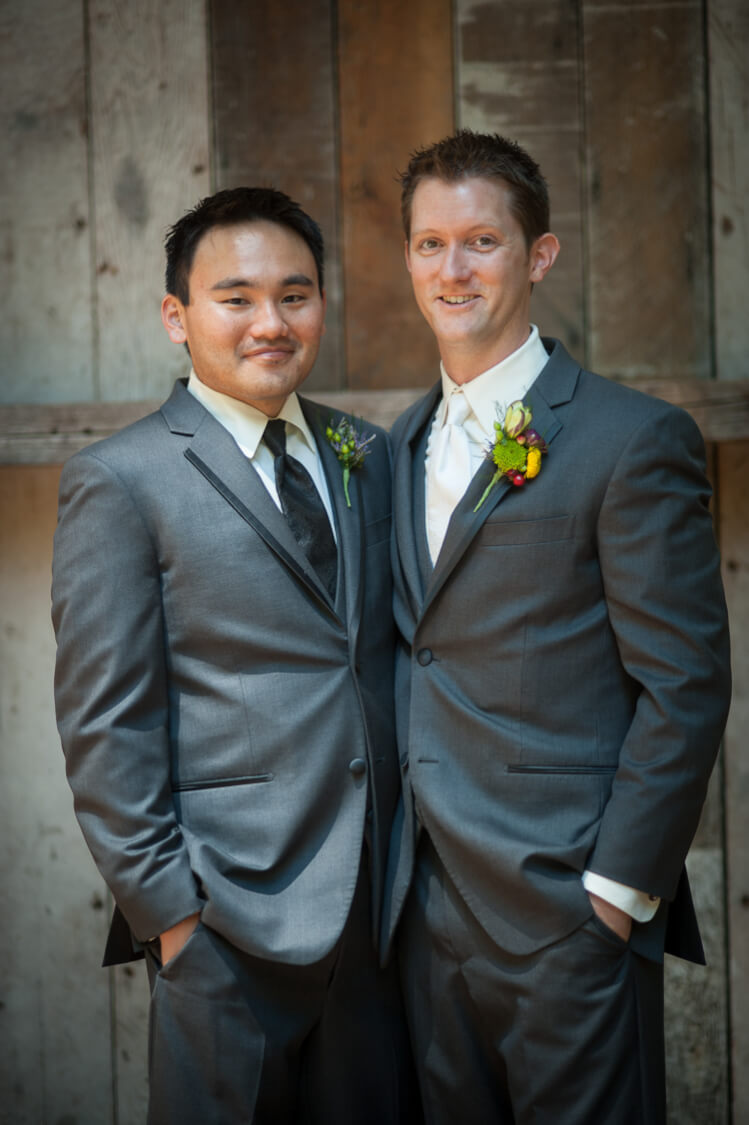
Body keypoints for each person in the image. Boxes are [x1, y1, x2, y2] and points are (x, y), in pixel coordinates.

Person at [382, 130, 731, 1124]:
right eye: (427, 244)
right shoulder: (396, 445)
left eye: (480, 243)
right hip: (420, 919)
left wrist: (614, 893)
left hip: (566, 914)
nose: (451, 270)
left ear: (537, 255)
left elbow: (686, 683)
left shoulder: (630, 440)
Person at [52, 186, 420, 1125]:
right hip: (223, 925)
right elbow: (106, 719)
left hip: (377, 922)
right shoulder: (121, 479)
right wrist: (170, 915)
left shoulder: (364, 452)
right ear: (177, 316)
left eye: (295, 295)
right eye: (237, 298)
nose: (271, 322)